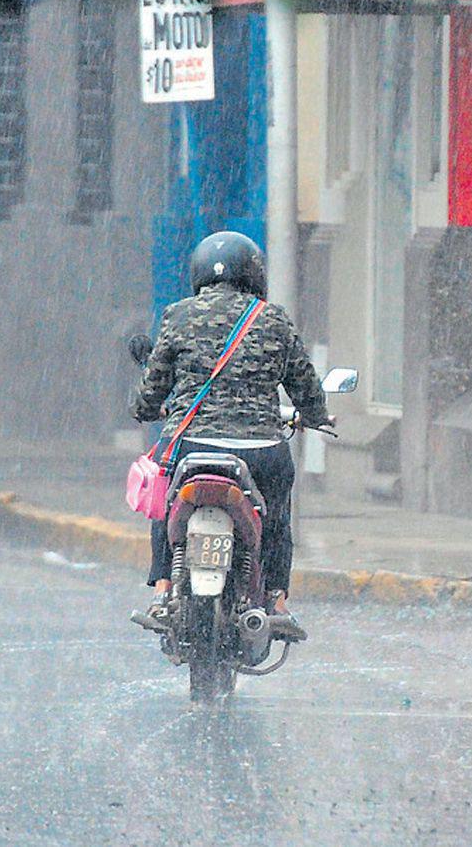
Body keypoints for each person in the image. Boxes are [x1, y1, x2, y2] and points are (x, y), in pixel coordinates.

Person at [131, 230, 329, 641]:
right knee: (274, 516)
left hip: (192, 446)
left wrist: (147, 408)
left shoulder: (178, 315)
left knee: (167, 505)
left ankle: (164, 590)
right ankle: (275, 601)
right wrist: (316, 414)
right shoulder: (272, 319)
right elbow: (305, 386)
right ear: (255, 275)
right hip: (260, 453)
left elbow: (152, 391)